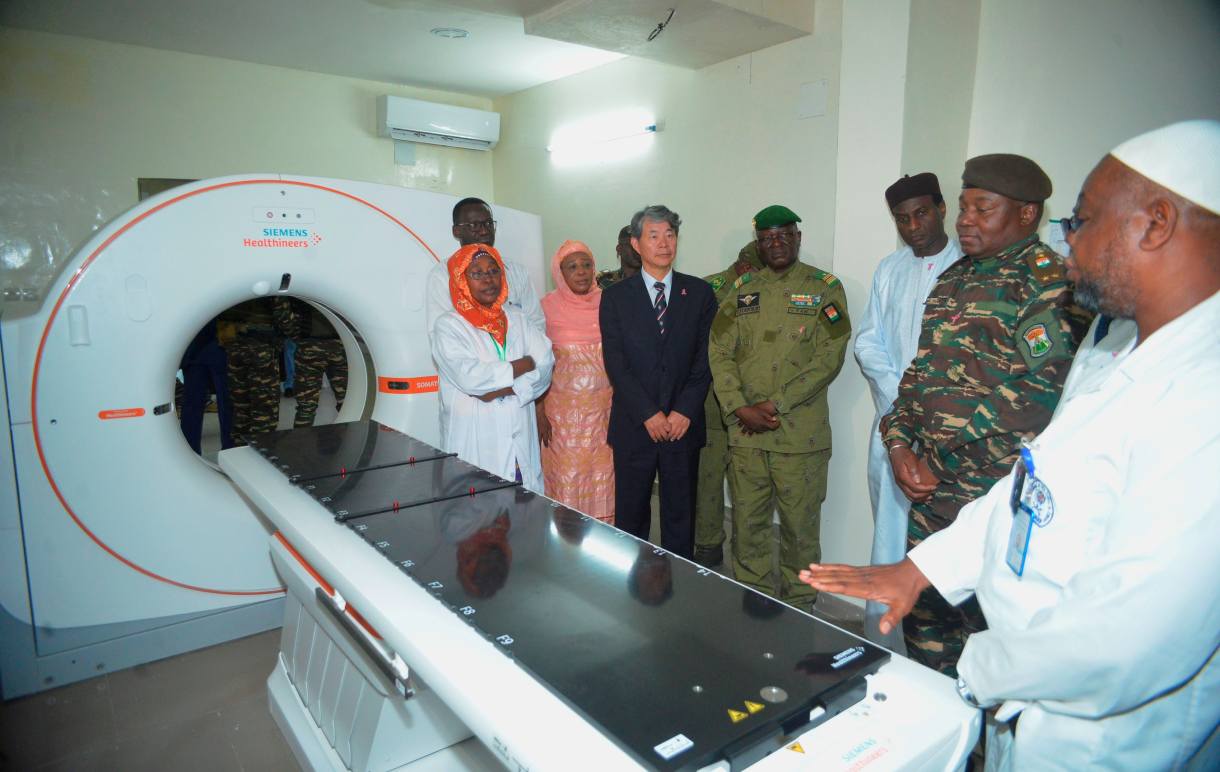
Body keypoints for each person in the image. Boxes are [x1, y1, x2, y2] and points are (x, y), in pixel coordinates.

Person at [801, 119, 1220, 771]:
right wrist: (917, 543)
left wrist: (978, 672)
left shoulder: (1201, 398)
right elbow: (1029, 475)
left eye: (1082, 221)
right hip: (977, 575)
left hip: (1099, 733)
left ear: (1155, 224)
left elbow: (1124, 643)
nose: (1070, 242)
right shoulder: (1119, 354)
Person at [879, 154, 1092, 675]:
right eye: (965, 205)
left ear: (1026, 214)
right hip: (930, 498)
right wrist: (900, 442)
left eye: (983, 207)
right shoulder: (953, 280)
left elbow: (1033, 398)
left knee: (991, 648)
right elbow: (919, 374)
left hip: (992, 502)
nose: (965, 219)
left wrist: (940, 463)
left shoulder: (1049, 283)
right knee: (926, 631)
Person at [708, 205, 849, 609]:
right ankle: (753, 601)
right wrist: (738, 407)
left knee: (800, 530)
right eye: (768, 238)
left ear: (798, 237)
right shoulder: (742, 290)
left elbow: (830, 355)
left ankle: (801, 608)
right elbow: (719, 351)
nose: (777, 244)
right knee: (748, 526)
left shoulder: (825, 287)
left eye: (785, 236)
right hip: (747, 435)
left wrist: (776, 402)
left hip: (799, 437)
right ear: (758, 244)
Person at [853, 172, 962, 651]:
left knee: (942, 543)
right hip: (894, 425)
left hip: (949, 432)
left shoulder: (969, 268)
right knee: (889, 535)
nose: (913, 225)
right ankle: (885, 643)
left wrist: (926, 401)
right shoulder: (889, 269)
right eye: (902, 218)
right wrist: (902, 394)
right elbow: (868, 340)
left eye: (921, 213)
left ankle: (939, 644)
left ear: (941, 208)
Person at [599, 205, 717, 560]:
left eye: (670, 235)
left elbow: (706, 359)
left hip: (684, 425)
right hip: (636, 425)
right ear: (636, 243)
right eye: (654, 235)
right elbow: (616, 364)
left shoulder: (699, 294)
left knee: (681, 514)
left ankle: (679, 590)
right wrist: (649, 413)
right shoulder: (615, 297)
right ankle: (631, 589)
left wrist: (684, 411)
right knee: (632, 515)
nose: (664, 243)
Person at [431, 244, 554, 492]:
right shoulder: (448, 326)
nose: (488, 279)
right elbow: (473, 380)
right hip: (476, 442)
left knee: (525, 514)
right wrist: (523, 364)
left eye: (493, 271)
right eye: (476, 273)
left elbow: (545, 365)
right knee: (480, 522)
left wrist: (503, 386)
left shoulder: (517, 319)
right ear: (460, 280)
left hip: (521, 440)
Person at [692, 241, 762, 567]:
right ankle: (711, 548)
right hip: (717, 399)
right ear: (747, 267)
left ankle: (717, 549)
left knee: (732, 478)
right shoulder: (715, 289)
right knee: (714, 476)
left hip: (737, 401)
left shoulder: (708, 284)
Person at [538, 239, 615, 523]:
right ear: (560, 273)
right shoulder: (546, 309)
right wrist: (539, 411)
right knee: (568, 482)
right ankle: (565, 546)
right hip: (563, 421)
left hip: (605, 415)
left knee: (604, 481)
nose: (581, 272)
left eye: (587, 265)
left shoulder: (609, 304)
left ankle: (606, 542)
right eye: (572, 267)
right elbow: (537, 365)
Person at [426, 197, 545, 336]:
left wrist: (526, 354)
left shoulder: (517, 271)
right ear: (456, 231)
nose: (484, 231)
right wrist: (501, 358)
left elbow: (536, 323)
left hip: (522, 355)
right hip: (473, 357)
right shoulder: (442, 275)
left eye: (488, 223)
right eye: (474, 225)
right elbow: (441, 334)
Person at [274, 297, 347, 427]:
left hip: (309, 346)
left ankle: (302, 445)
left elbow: (283, 313)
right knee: (347, 401)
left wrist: (298, 338)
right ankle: (350, 442)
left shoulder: (300, 285)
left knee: (306, 407)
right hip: (338, 346)